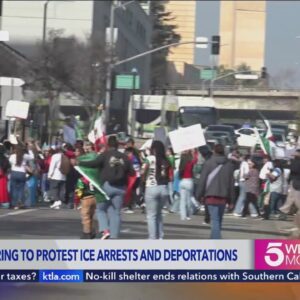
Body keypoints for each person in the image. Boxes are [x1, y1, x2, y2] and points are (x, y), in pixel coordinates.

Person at [79, 135, 135, 239]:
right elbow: (132, 172)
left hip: (107, 186)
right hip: (120, 188)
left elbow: (93, 163)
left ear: (108, 145)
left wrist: (80, 162)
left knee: (101, 210)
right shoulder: (124, 157)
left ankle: (105, 230)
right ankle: (114, 237)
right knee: (116, 212)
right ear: (118, 145)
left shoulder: (105, 155)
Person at [196, 144, 235, 239]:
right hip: (223, 197)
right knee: (218, 220)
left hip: (210, 195)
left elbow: (202, 181)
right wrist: (232, 201)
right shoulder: (229, 165)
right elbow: (231, 184)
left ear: (214, 151)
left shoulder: (208, 163)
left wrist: (198, 195)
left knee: (215, 220)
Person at [142, 141, 171, 239]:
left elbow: (143, 171)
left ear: (153, 149)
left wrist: (142, 181)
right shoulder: (166, 160)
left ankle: (152, 238)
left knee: (151, 216)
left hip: (151, 187)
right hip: (163, 189)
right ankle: (160, 237)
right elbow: (170, 175)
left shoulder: (149, 159)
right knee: (159, 214)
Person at [278, 150, 300, 234]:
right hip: (295, 184)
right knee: (291, 199)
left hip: (296, 184)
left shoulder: (296, 162)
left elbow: (293, 169)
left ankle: (284, 212)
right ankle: (284, 212)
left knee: (292, 200)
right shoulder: (295, 161)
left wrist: (289, 163)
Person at [9, 145, 34, 209]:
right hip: (22, 173)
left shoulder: (13, 156)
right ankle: (19, 202)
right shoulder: (25, 156)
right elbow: (32, 157)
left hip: (14, 172)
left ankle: (14, 203)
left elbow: (10, 162)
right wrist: (30, 150)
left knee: (14, 188)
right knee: (21, 189)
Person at [178, 149, 197, 221]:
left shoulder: (181, 165)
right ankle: (188, 215)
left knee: (182, 200)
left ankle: (183, 216)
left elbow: (179, 173)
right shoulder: (190, 163)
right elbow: (195, 160)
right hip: (189, 181)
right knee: (188, 199)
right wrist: (194, 152)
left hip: (182, 181)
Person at [0, 144, 10, 208]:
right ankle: (3, 202)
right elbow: (8, 166)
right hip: (3, 175)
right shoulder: (4, 157)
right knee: (3, 189)